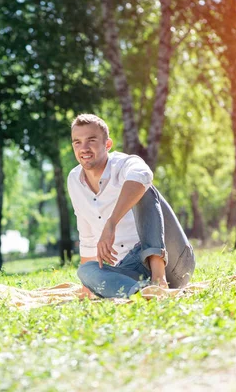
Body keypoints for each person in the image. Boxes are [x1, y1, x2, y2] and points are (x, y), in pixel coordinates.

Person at [67, 114, 195, 299]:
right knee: (85, 271)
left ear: (107, 144)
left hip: (174, 259)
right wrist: (89, 286)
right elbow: (87, 237)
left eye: (91, 140)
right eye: (77, 142)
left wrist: (111, 224)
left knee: (143, 188)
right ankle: (140, 293)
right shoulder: (74, 180)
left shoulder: (125, 164)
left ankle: (160, 280)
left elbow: (143, 176)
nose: (84, 148)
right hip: (131, 267)